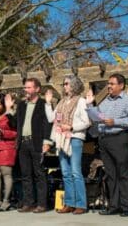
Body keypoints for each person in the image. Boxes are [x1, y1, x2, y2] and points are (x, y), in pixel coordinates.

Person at [86, 73, 128, 217]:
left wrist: (115, 121)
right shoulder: (104, 102)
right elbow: (98, 118)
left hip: (121, 139)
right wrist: (91, 109)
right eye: (108, 83)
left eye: (112, 83)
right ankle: (114, 206)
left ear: (121, 85)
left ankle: (127, 207)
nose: (109, 86)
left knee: (124, 173)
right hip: (105, 140)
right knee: (111, 175)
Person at [45, 75, 91, 215]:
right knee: (65, 173)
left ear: (74, 85)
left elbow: (87, 122)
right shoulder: (61, 102)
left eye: (67, 84)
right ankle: (69, 203)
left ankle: (81, 204)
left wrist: (71, 127)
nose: (64, 86)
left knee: (75, 172)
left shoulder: (81, 101)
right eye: (64, 84)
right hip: (61, 139)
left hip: (74, 138)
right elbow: (51, 118)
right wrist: (48, 103)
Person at [15, 78, 51, 213]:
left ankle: (42, 204)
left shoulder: (43, 104)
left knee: (39, 174)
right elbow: (16, 124)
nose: (26, 90)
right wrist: (8, 109)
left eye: (29, 87)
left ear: (37, 89)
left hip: (37, 143)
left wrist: (47, 142)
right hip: (23, 143)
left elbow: (48, 123)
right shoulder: (21, 105)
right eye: (25, 87)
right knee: (26, 175)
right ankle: (28, 203)